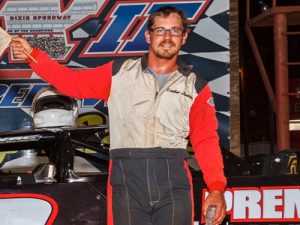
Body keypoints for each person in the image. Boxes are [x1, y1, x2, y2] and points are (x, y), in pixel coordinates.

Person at [10, 6, 227, 225]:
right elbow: (71, 83)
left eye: (175, 31)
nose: (167, 37)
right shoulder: (118, 73)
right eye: (160, 31)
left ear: (184, 37)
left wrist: (217, 188)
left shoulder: (196, 86)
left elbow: (206, 141)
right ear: (148, 35)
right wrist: (34, 56)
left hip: (173, 180)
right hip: (127, 178)